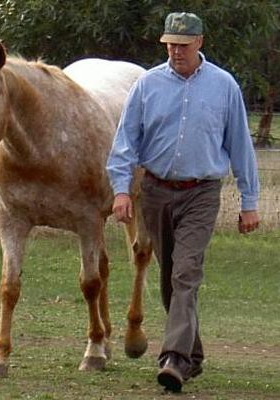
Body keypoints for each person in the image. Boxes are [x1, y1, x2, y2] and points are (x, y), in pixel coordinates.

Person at [106, 11, 260, 393]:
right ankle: (193, 355)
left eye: (183, 45)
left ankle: (173, 358)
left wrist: (249, 201)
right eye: (170, 45)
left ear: (200, 43)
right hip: (156, 192)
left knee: (185, 273)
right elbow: (126, 142)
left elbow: (240, 146)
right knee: (168, 279)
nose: (176, 52)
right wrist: (122, 190)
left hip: (201, 192)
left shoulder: (224, 86)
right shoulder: (147, 85)